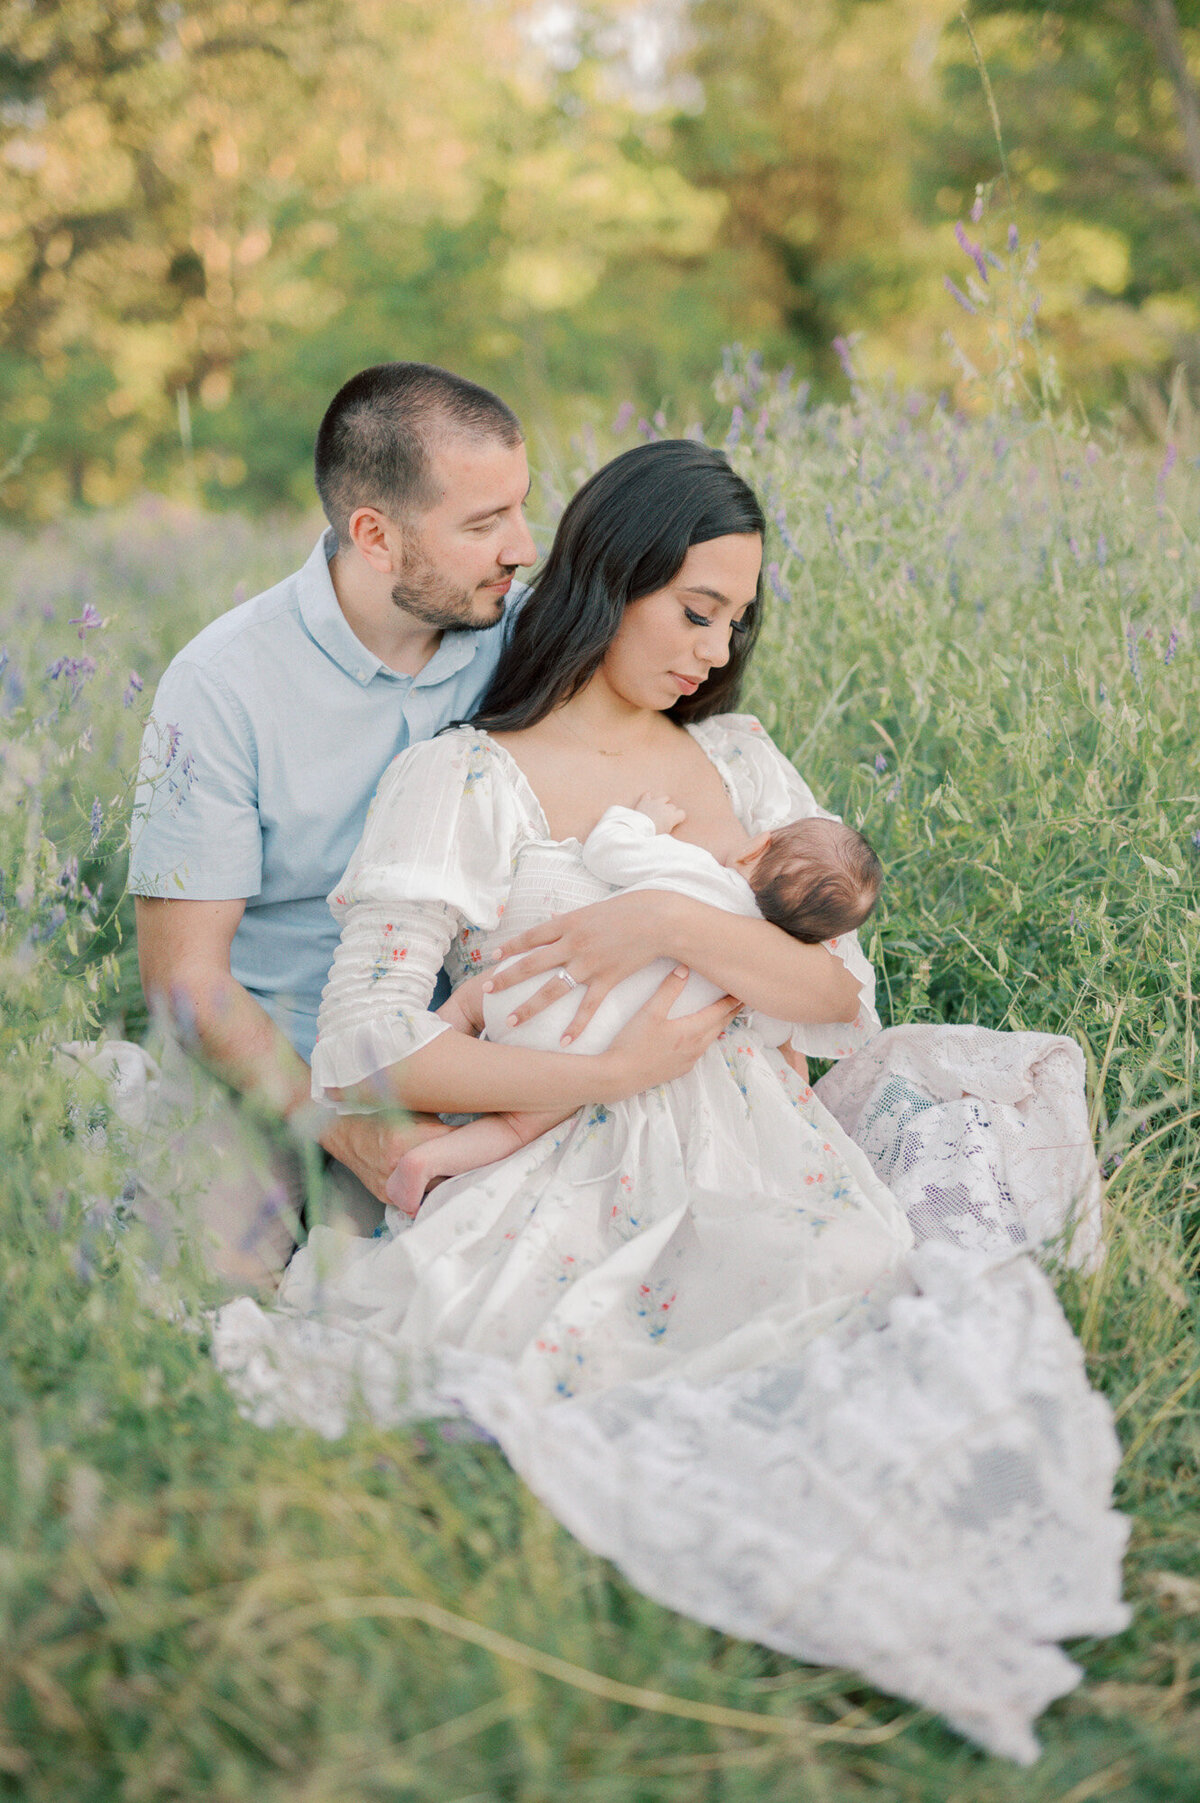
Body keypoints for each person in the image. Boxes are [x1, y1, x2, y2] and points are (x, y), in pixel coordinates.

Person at [214, 439, 1126, 1762]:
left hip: (760, 1137)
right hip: (568, 1139)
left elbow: (835, 996)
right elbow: (365, 1044)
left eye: (737, 620)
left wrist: (659, 916)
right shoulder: (469, 776)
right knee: (578, 1340)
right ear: (611, 573)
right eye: (696, 608)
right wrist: (603, 1075)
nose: (715, 647)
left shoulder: (739, 758)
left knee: (861, 1274)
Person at [385, 795, 882, 1215]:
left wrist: (645, 819)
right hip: (590, 1055)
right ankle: (427, 1162)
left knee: (474, 1001)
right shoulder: (752, 965)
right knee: (517, 1125)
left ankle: (426, 1072)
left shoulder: (694, 868)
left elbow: (609, 851)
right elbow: (774, 1031)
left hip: (536, 996)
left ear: (757, 846)